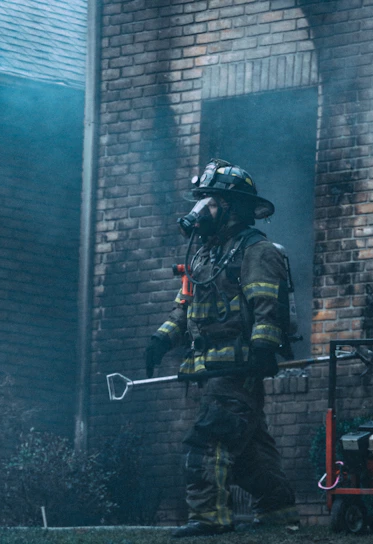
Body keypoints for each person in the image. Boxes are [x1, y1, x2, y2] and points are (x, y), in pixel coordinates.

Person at [145, 159, 299, 538]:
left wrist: (263, 350)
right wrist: (161, 339)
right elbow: (185, 308)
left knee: (207, 440)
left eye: (210, 202)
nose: (200, 210)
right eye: (201, 201)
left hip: (238, 368)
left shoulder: (257, 251)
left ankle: (210, 518)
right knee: (248, 453)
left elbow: (267, 306)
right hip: (209, 369)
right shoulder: (204, 255)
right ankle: (278, 511)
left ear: (231, 206)